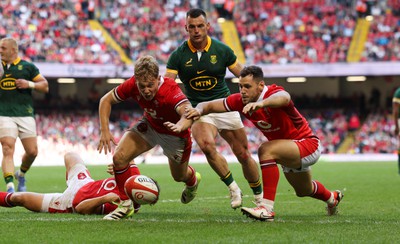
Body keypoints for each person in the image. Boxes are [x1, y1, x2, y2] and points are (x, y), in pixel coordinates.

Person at [167, 65, 344, 221]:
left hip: (307, 144)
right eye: (240, 86)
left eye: (247, 87)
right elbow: (209, 105)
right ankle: (332, 198)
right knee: (303, 190)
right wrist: (198, 110)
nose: (242, 91)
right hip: (288, 150)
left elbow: (285, 97)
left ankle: (266, 209)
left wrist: (262, 104)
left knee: (265, 150)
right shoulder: (242, 100)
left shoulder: (273, 93)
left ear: (260, 85)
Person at [164, 8, 261, 209]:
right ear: (186, 28)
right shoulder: (177, 56)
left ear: (208, 26)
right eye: (192, 27)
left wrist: (261, 95)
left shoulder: (222, 50)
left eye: (200, 26)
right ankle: (233, 188)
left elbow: (244, 76)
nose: (197, 30)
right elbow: (168, 85)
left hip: (224, 105)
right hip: (199, 110)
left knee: (243, 154)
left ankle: (260, 198)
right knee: (207, 145)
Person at [98, 55, 201, 220]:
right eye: (142, 86)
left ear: (158, 78)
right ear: (136, 80)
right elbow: (105, 100)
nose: (146, 90)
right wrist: (104, 130)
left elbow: (188, 112)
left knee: (178, 176)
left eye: (150, 85)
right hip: (150, 126)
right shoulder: (132, 84)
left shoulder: (170, 89)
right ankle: (125, 206)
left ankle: (192, 180)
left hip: (175, 133)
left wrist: (181, 125)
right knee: (119, 157)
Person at [0, 152, 142, 214]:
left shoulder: (121, 204)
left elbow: (80, 208)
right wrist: (119, 166)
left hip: (69, 202)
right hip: (84, 183)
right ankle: (71, 182)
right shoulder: (136, 181)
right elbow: (128, 158)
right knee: (71, 155)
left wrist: (105, 198)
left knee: (19, 198)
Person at [0, 37, 49, 193]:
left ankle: (21, 174)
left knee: (32, 151)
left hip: (25, 114)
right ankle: (10, 188)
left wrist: (29, 84)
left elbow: (45, 86)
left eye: (3, 48)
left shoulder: (27, 67)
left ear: (14, 50)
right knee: (7, 148)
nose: (0, 51)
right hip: (4, 114)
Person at [392, 86, 400, 174]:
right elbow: (396, 111)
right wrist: (397, 126)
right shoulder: (398, 92)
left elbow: (395, 111)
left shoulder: (398, 92)